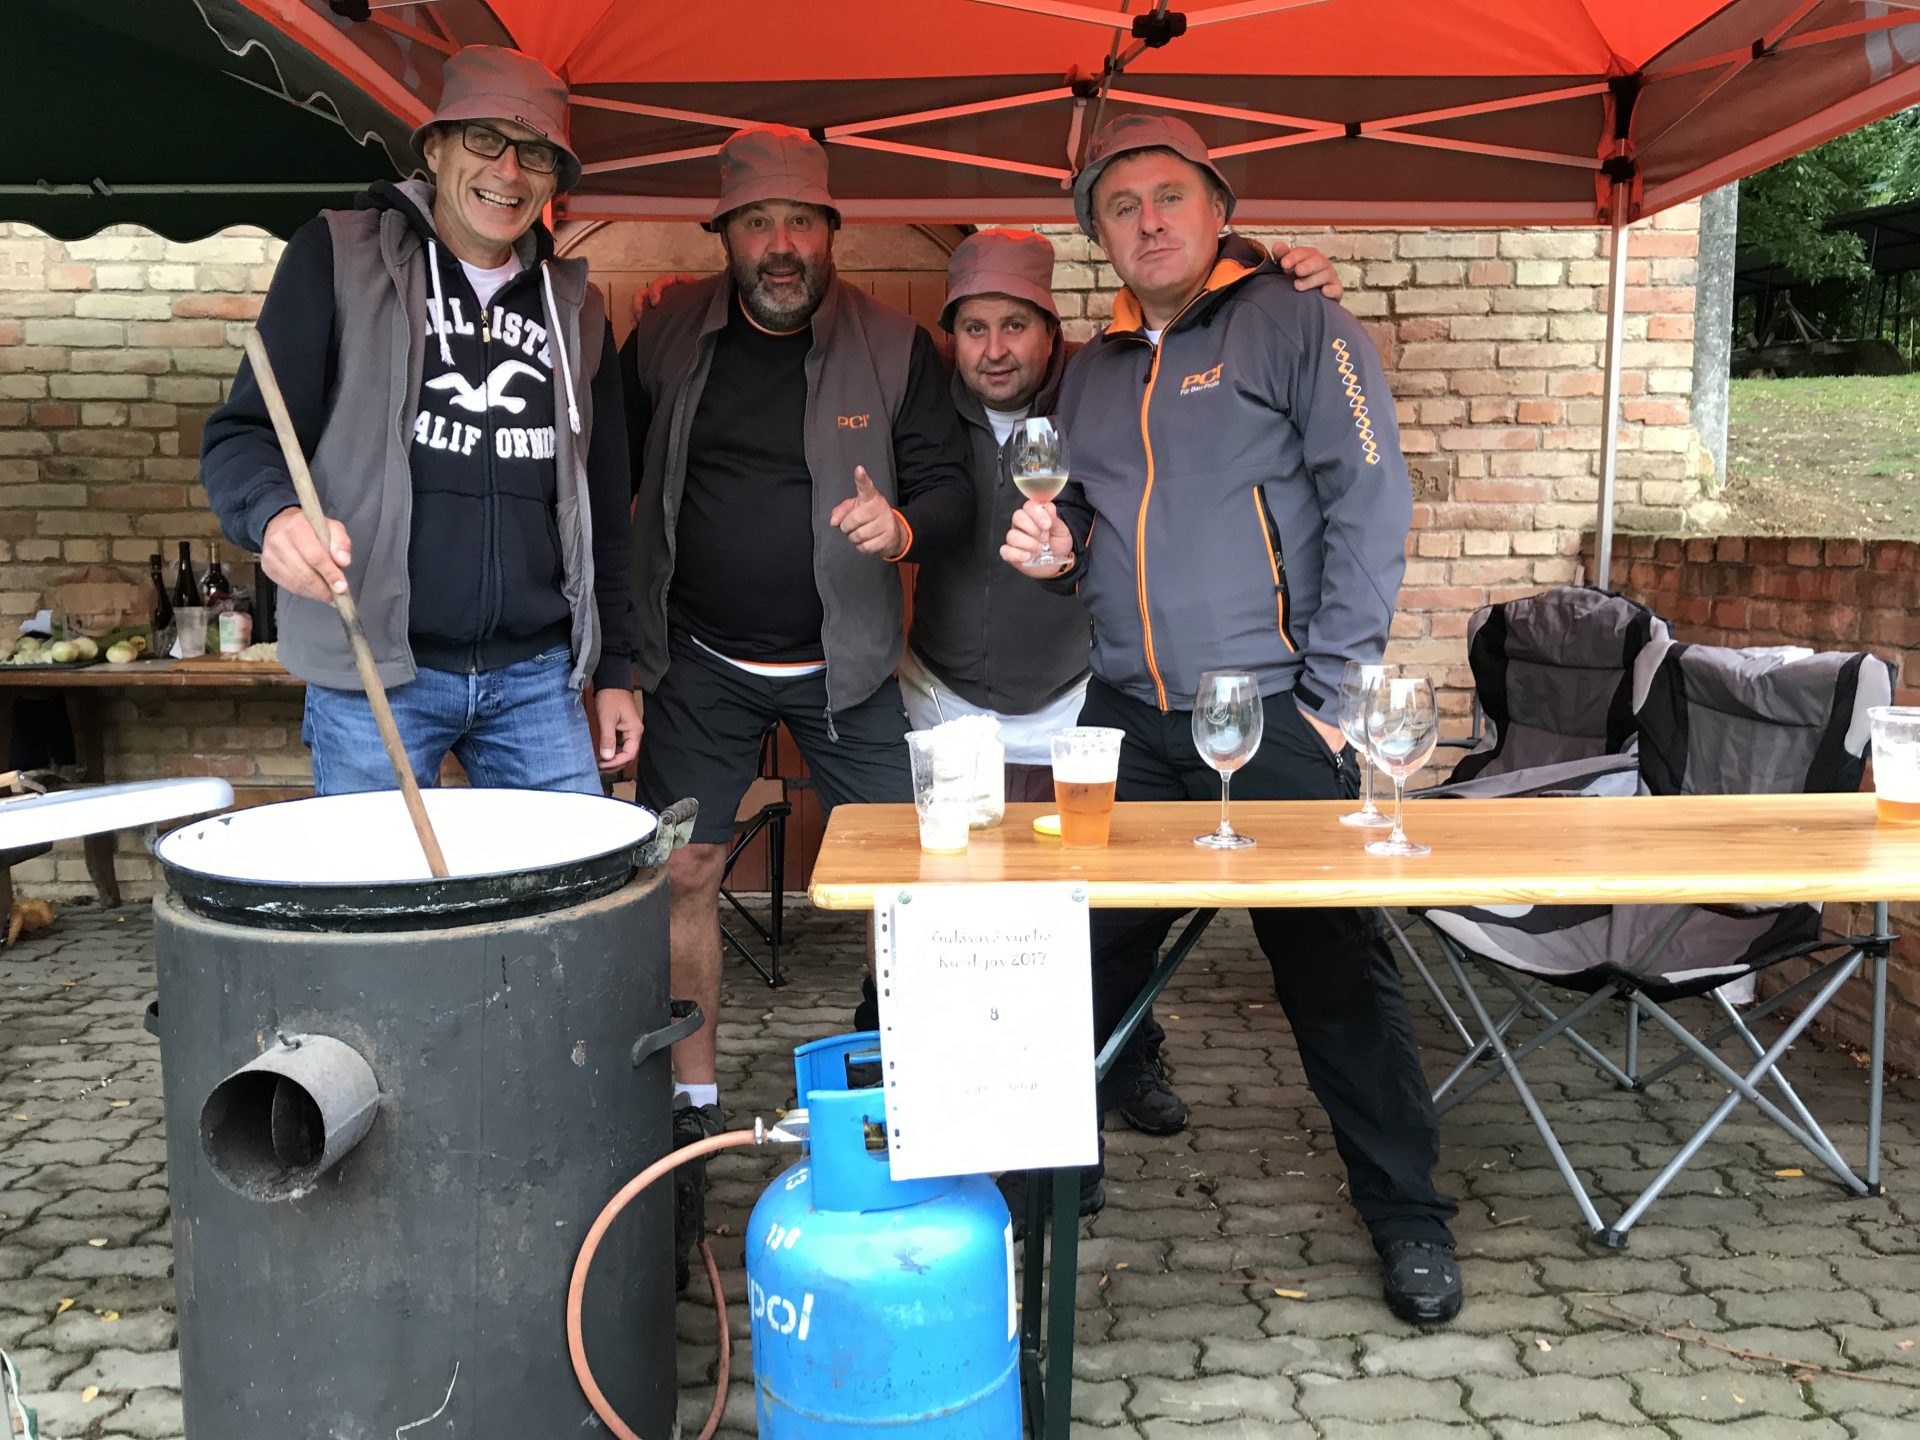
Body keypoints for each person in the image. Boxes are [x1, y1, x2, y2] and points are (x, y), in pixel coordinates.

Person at [1001, 114, 1463, 1324]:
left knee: (1332, 972)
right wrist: (1057, 552)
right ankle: (1061, 1164)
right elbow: (1090, 518)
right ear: (1097, 234)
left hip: (1273, 712)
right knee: (1080, 949)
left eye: (1169, 197)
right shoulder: (1089, 369)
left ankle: (1408, 1217)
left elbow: (1371, 502)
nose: (1146, 221)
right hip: (1124, 710)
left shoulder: (1302, 324)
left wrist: (1333, 700)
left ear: (1219, 209)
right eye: (1119, 206)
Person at [618, 125, 973, 1287]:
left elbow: (951, 486)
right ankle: (690, 1120)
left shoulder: (897, 345)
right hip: (698, 662)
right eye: (758, 222)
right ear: (723, 235)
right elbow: (603, 477)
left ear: (833, 232)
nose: (781, 244)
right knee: (683, 875)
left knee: (897, 889)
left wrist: (903, 527)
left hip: (849, 666)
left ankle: (910, 1102)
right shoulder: (665, 336)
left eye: (802, 222)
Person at [910, 229, 1347, 1166]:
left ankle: (1130, 1071)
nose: (995, 347)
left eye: (1016, 324)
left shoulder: (1104, 378)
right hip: (971, 697)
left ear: (1052, 329)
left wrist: (1335, 694)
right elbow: (1041, 513)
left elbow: (1357, 493)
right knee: (1040, 927)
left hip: (1113, 696)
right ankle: (1033, 1146)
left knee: (1300, 955)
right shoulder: (931, 395)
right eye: (974, 327)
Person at [201, 46, 639, 795]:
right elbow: (244, 435)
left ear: (553, 181)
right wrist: (273, 517)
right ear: (434, 149)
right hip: (375, 669)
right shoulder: (338, 256)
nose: (508, 170)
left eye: (535, 153)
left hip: (537, 678)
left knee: (579, 869)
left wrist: (616, 670)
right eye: (484, 139)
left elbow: (604, 506)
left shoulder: (577, 308)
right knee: (380, 873)